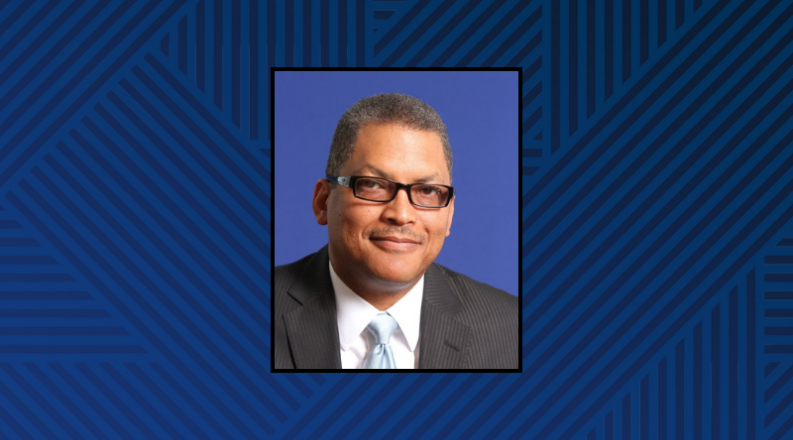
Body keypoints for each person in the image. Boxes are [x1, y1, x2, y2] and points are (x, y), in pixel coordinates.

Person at [274, 93, 518, 369]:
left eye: (428, 190)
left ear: (449, 214)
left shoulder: (512, 331)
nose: (401, 214)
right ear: (323, 202)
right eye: (373, 185)